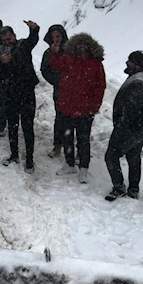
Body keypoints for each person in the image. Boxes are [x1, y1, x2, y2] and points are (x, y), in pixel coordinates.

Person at [47, 33, 106, 184]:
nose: (81, 48)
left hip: (85, 109)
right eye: (78, 45)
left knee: (83, 140)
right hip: (66, 106)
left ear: (90, 47)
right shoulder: (68, 58)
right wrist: (53, 52)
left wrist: (94, 106)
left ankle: (84, 169)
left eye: (84, 45)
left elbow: (100, 86)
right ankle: (69, 164)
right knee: (67, 137)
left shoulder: (96, 63)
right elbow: (55, 64)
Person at [104, 51, 143, 201]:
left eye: (130, 61)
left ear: (137, 64)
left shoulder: (138, 82)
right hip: (142, 126)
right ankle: (133, 189)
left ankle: (119, 187)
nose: (127, 63)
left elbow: (130, 112)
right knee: (133, 156)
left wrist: (120, 130)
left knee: (111, 156)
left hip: (131, 128)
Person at [0, 21, 40, 174]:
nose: (7, 42)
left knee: (27, 127)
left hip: (26, 93)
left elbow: (33, 40)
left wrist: (34, 29)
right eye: (4, 40)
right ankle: (14, 154)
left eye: (9, 39)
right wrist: (1, 62)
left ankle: (30, 159)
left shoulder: (23, 46)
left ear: (14, 36)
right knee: (12, 126)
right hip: (10, 94)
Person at [40, 24, 69, 158]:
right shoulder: (48, 53)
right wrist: (58, 81)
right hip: (59, 90)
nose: (55, 39)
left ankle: (74, 148)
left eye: (58, 36)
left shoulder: (71, 50)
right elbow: (45, 70)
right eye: (53, 37)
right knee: (60, 119)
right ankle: (58, 145)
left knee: (75, 120)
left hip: (75, 90)